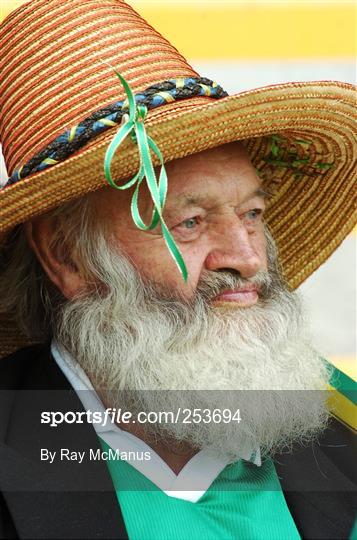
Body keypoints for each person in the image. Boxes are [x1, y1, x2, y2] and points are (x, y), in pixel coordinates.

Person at [0, 0, 356, 539]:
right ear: (65, 257)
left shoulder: (340, 415)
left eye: (252, 214)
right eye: (188, 222)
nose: (247, 258)